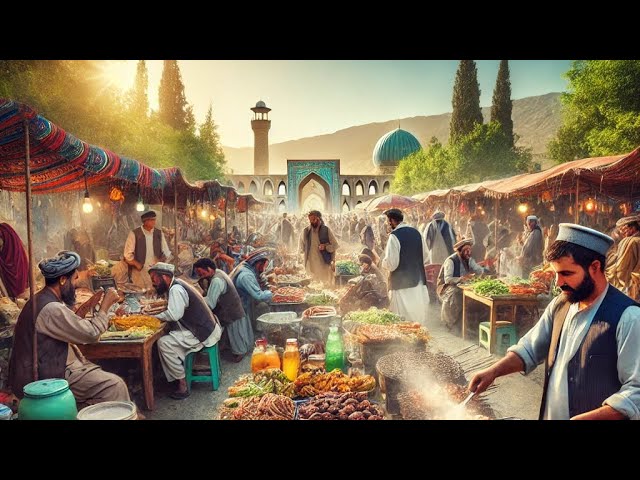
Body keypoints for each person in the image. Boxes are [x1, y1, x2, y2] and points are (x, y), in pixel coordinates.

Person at [470, 223, 640, 420]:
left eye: (567, 273)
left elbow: (636, 392)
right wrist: (493, 371)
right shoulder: (561, 304)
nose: (559, 283)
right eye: (556, 274)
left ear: (595, 267)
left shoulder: (629, 317)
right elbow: (530, 349)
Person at [8, 251, 128, 406]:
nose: (75, 285)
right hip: (43, 376)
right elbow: (91, 334)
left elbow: (72, 322)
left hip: (48, 366)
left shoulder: (43, 299)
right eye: (74, 280)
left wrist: (91, 304)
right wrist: (105, 306)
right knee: (114, 385)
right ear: (63, 280)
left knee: (96, 372)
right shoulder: (51, 308)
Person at [149, 262, 222, 399]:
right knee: (169, 337)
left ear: (164, 277)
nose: (154, 283)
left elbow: (174, 314)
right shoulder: (178, 284)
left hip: (202, 334)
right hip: (208, 328)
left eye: (155, 279)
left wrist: (152, 317)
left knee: (163, 343)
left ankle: (182, 383)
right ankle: (176, 376)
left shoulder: (175, 289)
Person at [193, 257, 252, 362]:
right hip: (232, 307)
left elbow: (210, 303)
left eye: (201, 273)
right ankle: (231, 349)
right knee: (235, 333)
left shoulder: (216, 280)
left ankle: (239, 354)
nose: (200, 276)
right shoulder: (219, 272)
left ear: (209, 269)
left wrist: (197, 299)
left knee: (236, 335)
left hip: (231, 309)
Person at [381, 208, 430, 324]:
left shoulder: (394, 236)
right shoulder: (417, 232)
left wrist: (384, 262)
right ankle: (419, 337)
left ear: (392, 220)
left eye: (388, 221)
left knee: (402, 319)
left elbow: (392, 264)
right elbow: (426, 257)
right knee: (417, 316)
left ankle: (406, 340)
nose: (388, 224)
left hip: (401, 284)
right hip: (417, 281)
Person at [436, 239, 489, 332]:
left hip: (462, 285)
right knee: (456, 295)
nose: (468, 252)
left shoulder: (469, 259)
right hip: (447, 287)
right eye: (466, 250)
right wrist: (461, 278)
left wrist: (487, 270)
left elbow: (478, 269)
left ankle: (471, 323)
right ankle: (450, 323)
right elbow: (448, 279)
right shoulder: (451, 261)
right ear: (460, 251)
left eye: (469, 250)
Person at [123, 210, 173, 290]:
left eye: (154, 219)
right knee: (140, 294)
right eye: (151, 220)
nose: (154, 222)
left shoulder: (159, 234)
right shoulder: (134, 234)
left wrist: (161, 262)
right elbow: (127, 255)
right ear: (145, 221)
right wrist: (137, 264)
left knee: (154, 296)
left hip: (155, 272)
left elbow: (166, 252)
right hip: (140, 272)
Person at [231, 249, 274, 332]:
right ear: (258, 264)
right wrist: (272, 293)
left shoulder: (247, 269)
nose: (263, 269)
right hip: (239, 312)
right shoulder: (246, 275)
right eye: (263, 265)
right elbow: (259, 296)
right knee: (243, 336)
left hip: (244, 308)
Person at [299, 210, 339, 285]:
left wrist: (326, 247)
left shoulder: (326, 230)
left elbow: (335, 245)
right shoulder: (305, 231)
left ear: (319, 219)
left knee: (325, 287)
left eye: (313, 219)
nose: (311, 221)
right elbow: (301, 249)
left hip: (324, 265)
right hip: (311, 266)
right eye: (310, 220)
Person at [606, 215, 640, 300]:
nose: (621, 232)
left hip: (630, 288)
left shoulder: (629, 242)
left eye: (623, 229)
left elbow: (621, 270)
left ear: (632, 228)